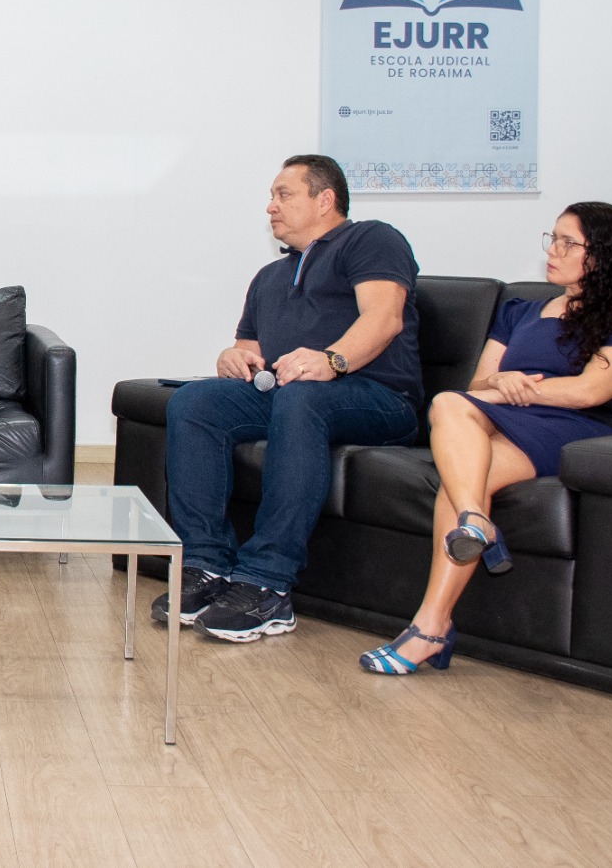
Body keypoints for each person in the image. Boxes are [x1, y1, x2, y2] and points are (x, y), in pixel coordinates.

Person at [360, 202, 612, 674]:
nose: (554, 250)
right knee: (454, 419)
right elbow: (478, 384)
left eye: (569, 242)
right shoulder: (520, 309)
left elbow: (591, 390)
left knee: (449, 427)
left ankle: (432, 623)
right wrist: (499, 384)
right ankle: (464, 551)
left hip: (574, 431)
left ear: (602, 255)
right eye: (553, 238)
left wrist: (521, 386)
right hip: (503, 417)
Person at [155, 155, 423, 642]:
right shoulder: (269, 277)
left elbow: (384, 319)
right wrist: (232, 360)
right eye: (272, 196)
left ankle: (268, 582)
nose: (271, 207)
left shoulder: (371, 239)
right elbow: (249, 350)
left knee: (302, 398)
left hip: (378, 398)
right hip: (290, 395)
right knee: (196, 402)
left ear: (325, 200)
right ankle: (206, 564)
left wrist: (333, 360)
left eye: (284, 195)